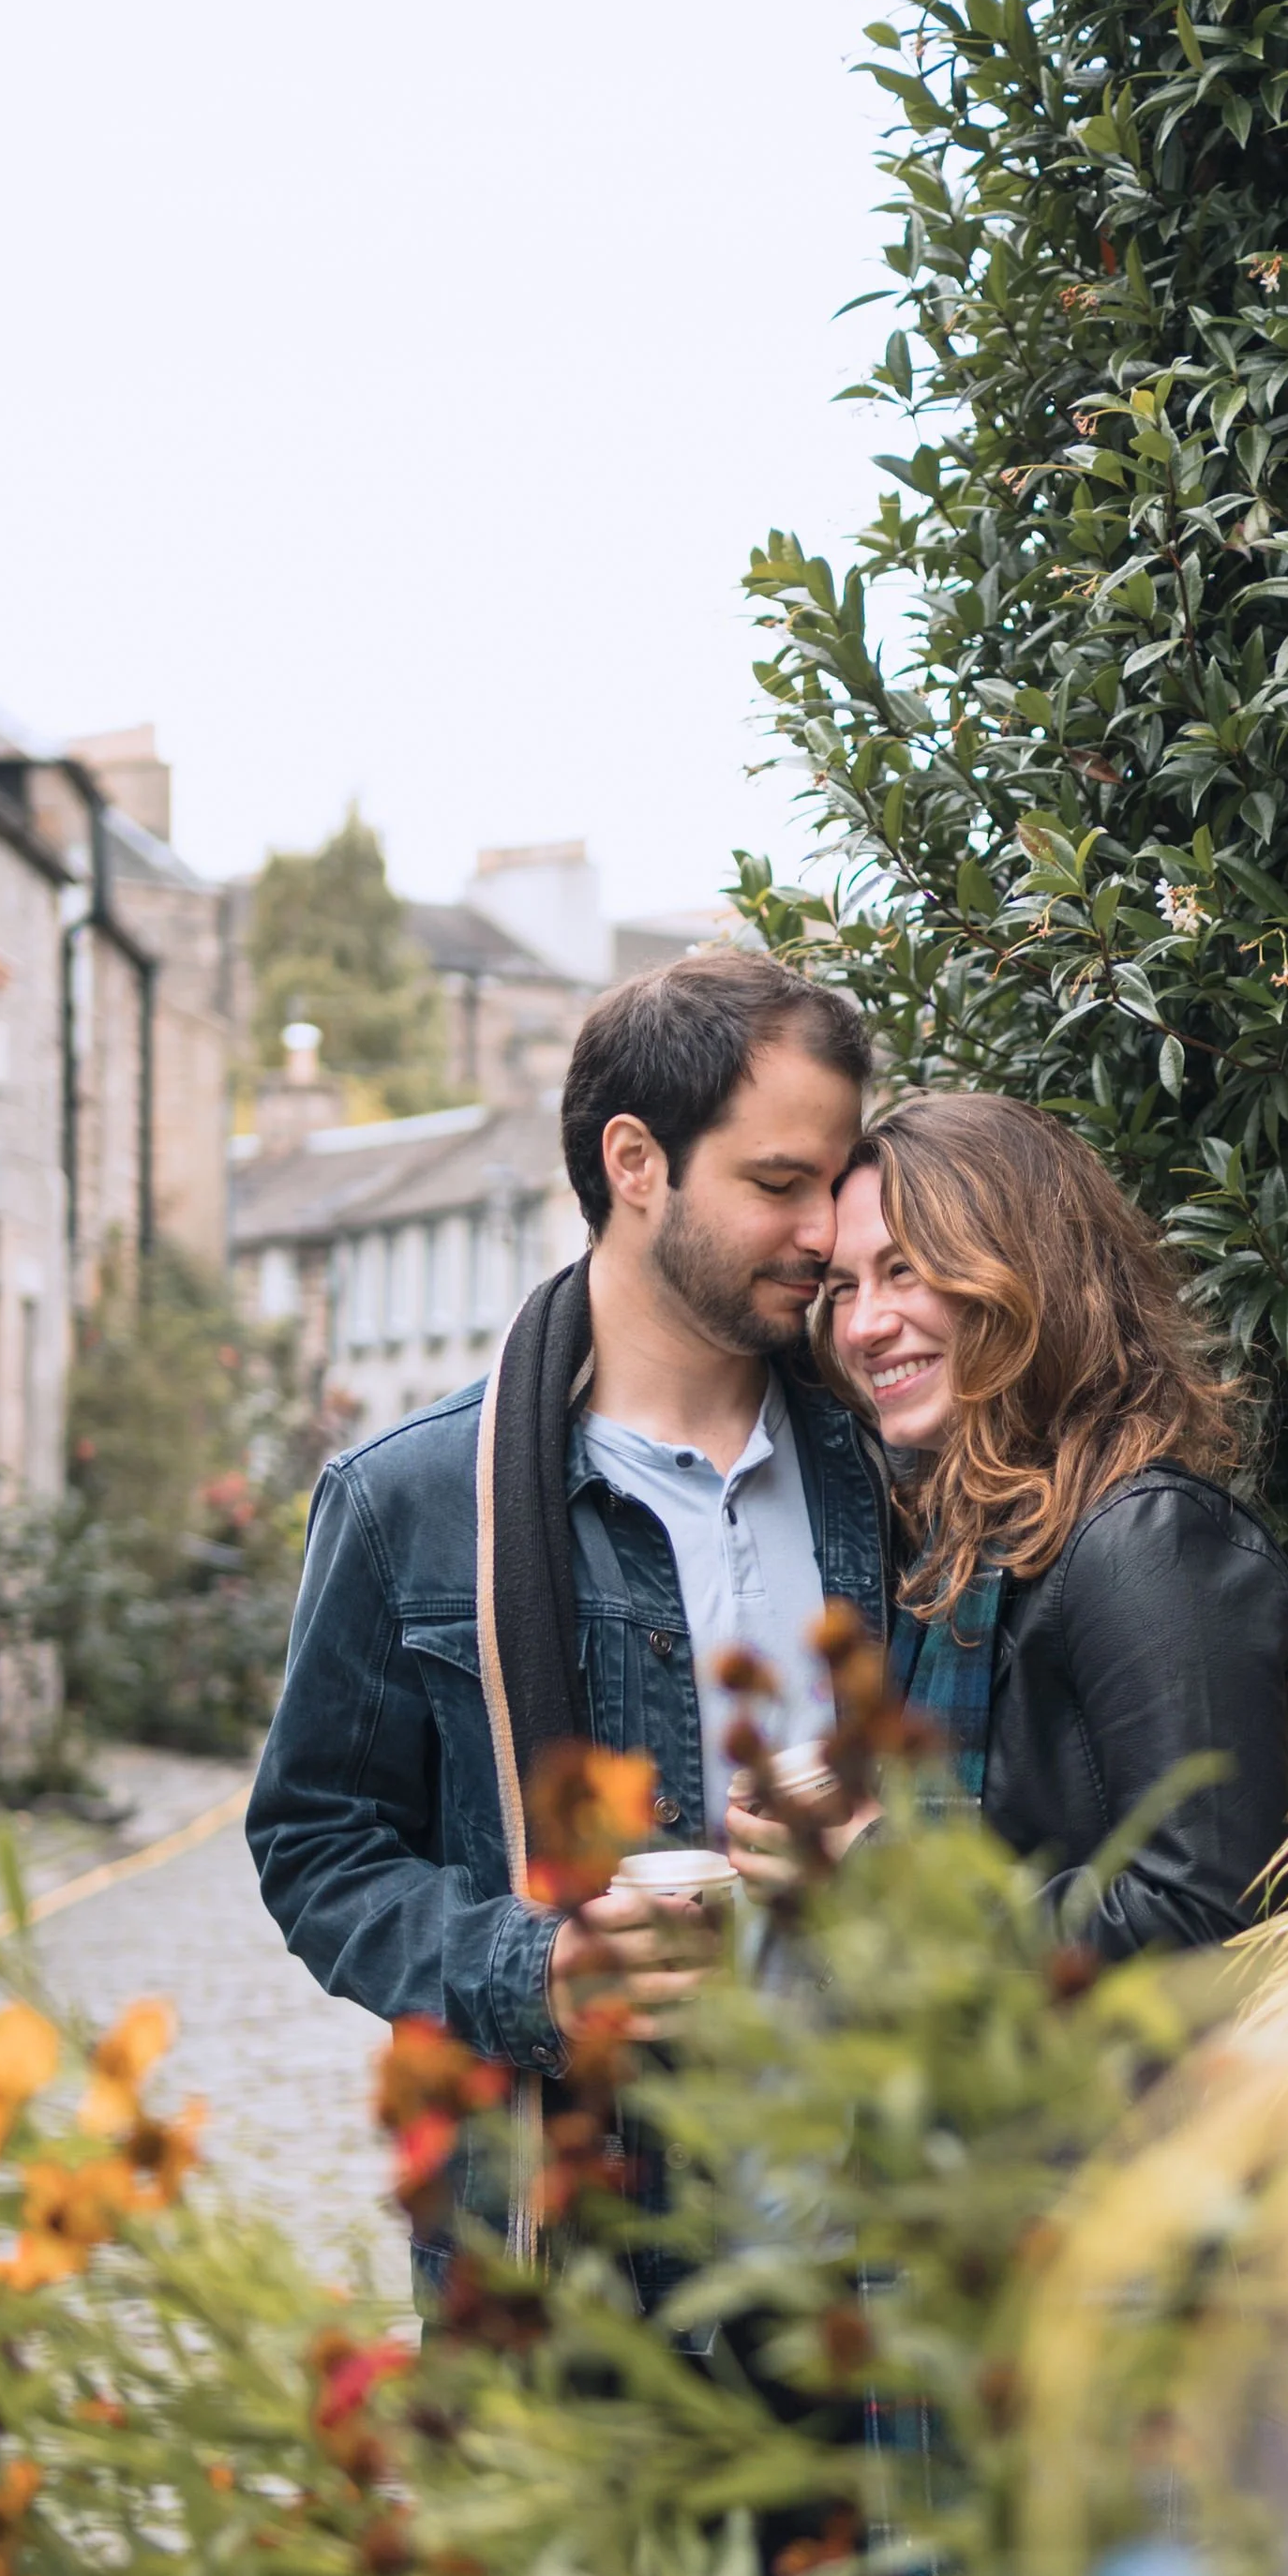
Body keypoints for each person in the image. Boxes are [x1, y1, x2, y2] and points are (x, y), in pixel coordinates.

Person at [247, 948, 883, 2254]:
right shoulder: (412, 1498)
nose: (827, 1234)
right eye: (778, 1184)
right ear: (636, 1163)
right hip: (577, 2265)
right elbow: (317, 1846)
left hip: (882, 2265)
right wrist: (533, 1968)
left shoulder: (893, 1469)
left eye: (836, 1183)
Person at [728, 1092, 1288, 1956]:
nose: (863, 1326)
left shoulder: (1146, 1541)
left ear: (1023, 1270)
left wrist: (876, 1873)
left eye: (905, 1271)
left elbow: (1210, 1916)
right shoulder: (962, 1548)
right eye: (842, 1289)